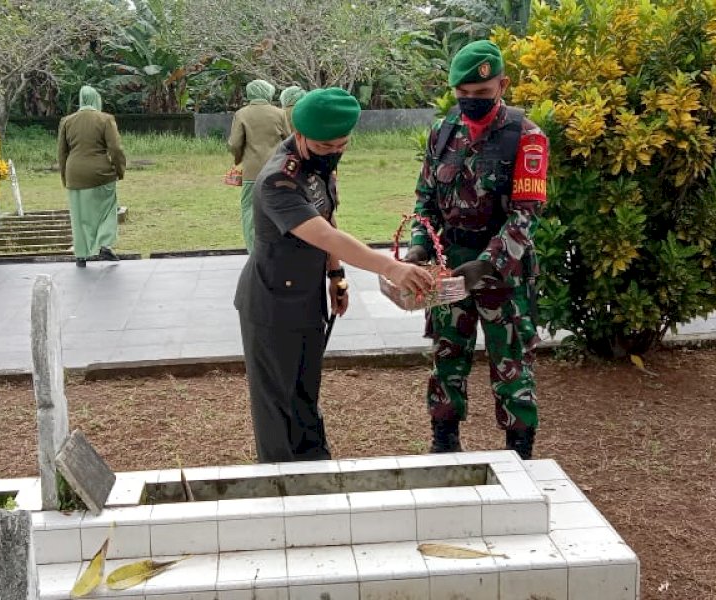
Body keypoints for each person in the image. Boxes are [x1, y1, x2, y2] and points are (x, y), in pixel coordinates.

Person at [234, 88, 433, 463]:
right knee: (277, 404)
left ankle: (315, 469)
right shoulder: (279, 179)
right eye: (326, 146)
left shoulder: (319, 163)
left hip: (307, 296)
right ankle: (280, 483)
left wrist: (336, 275)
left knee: (305, 392)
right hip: (272, 302)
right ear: (301, 135)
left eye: (341, 145)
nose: (334, 152)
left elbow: (326, 213)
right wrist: (390, 266)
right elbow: (323, 233)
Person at [403, 40, 549, 460]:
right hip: (449, 271)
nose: (471, 103)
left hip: (504, 274)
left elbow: (526, 214)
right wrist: (418, 247)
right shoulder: (443, 132)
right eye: (462, 95)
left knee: (512, 364)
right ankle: (444, 443)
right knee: (446, 358)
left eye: (481, 95)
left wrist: (485, 265)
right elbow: (425, 198)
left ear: (502, 85)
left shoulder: (527, 137)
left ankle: (520, 453)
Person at [57, 85, 126, 268]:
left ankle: (81, 254)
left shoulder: (66, 121)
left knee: (79, 216)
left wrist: (65, 177)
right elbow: (116, 149)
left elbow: (62, 153)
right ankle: (104, 244)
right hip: (100, 174)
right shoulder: (105, 119)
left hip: (74, 174)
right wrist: (119, 170)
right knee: (106, 210)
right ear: (96, 99)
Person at [228, 79, 290, 253]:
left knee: (249, 211)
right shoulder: (279, 113)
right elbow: (288, 139)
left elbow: (234, 144)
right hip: (276, 170)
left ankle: (254, 251)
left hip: (251, 172)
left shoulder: (241, 114)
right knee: (277, 207)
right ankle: (277, 248)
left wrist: (240, 158)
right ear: (267, 93)